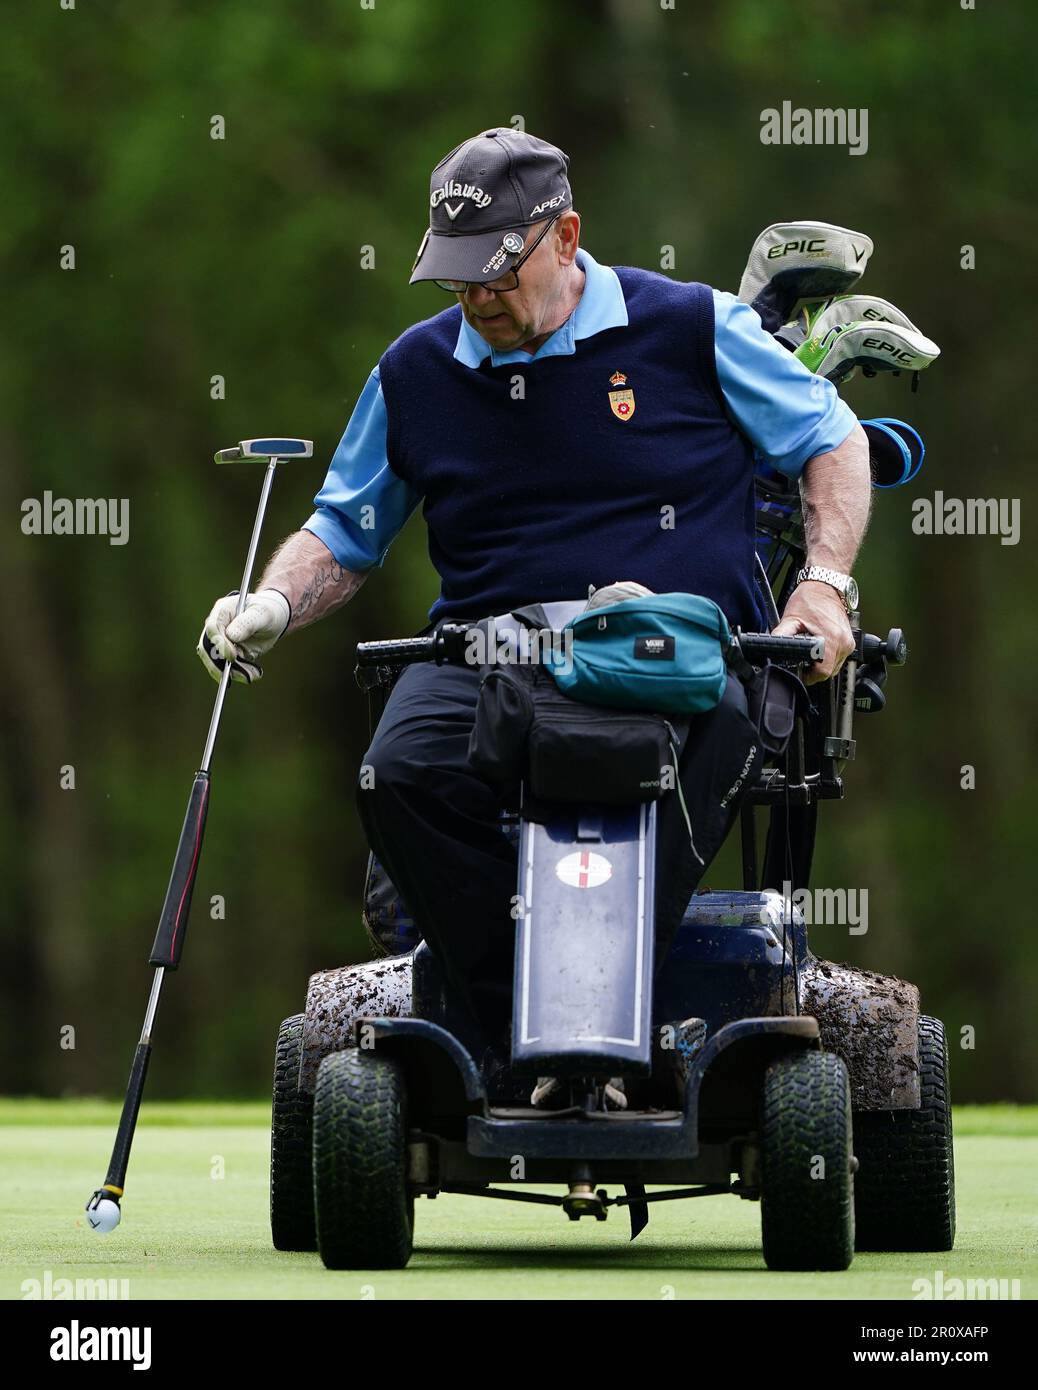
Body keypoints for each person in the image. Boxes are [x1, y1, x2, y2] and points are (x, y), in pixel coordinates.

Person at [197, 128, 871, 1081]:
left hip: (670, 653)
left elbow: (832, 440)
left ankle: (585, 1022)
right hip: (488, 655)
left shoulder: (690, 324)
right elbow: (345, 530)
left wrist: (824, 584)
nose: (477, 297)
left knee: (713, 736)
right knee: (396, 774)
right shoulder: (415, 371)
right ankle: (525, 1032)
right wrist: (270, 601)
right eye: (458, 277)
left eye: (498, 272)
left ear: (565, 237)